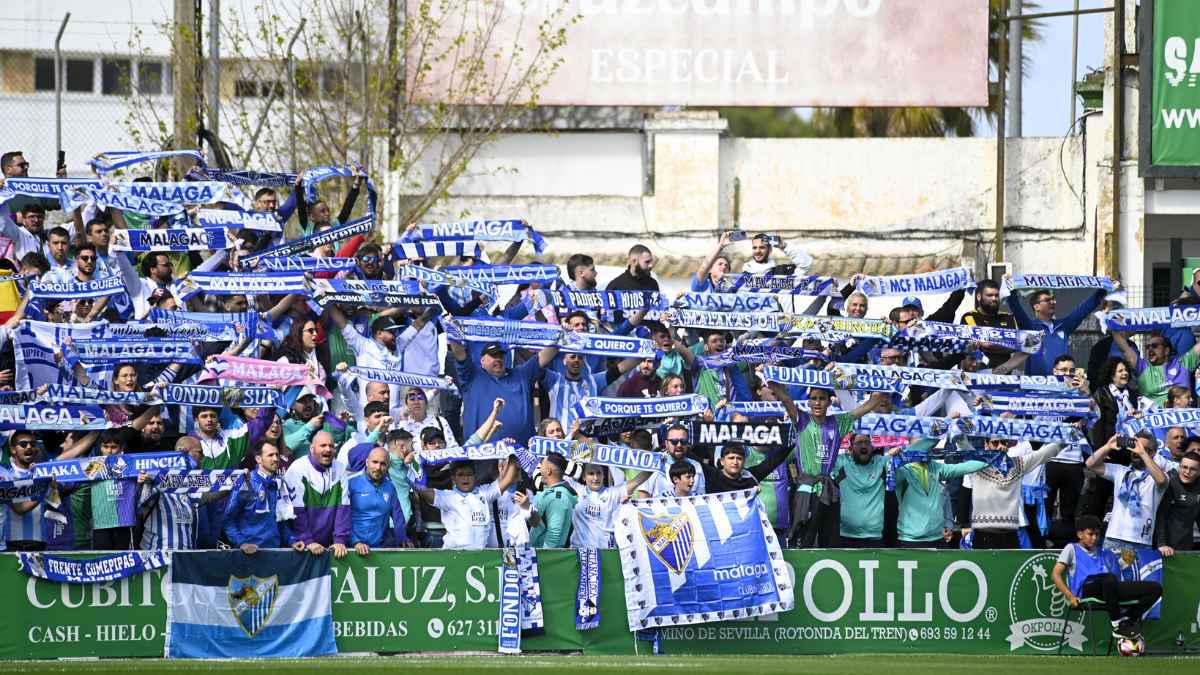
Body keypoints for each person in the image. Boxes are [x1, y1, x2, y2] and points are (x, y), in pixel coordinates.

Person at [769, 383, 888, 548]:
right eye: (813, 399)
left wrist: (884, 384)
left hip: (829, 490)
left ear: (829, 402)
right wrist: (771, 380)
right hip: (806, 489)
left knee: (829, 540)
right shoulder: (802, 419)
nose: (817, 403)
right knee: (804, 539)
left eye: (822, 399)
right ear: (808, 402)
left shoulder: (839, 422)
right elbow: (785, 398)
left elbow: (869, 405)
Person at [1050, 514, 1163, 640]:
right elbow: (1055, 574)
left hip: (1108, 588)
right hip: (1085, 590)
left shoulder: (1104, 552)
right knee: (1108, 579)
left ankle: (1127, 621)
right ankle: (1116, 624)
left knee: (1155, 588)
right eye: (1090, 534)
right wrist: (1070, 596)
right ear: (1080, 534)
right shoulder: (1071, 548)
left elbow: (1115, 571)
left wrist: (1126, 561)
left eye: (1097, 534)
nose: (1094, 538)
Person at [413, 456, 521, 550]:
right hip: (454, 554)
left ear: (475, 476)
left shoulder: (485, 493)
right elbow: (421, 490)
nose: (465, 478)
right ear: (453, 478)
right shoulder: (447, 497)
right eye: (460, 475)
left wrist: (511, 453)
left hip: (480, 556)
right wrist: (413, 465)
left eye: (469, 474)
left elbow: (509, 478)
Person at [1085, 433, 1169, 552]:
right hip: (1114, 538)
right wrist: (1108, 446)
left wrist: (1142, 453)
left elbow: (1161, 481)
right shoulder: (1121, 471)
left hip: (1141, 541)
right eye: (1134, 447)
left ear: (1152, 453)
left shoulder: (1157, 476)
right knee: (1111, 571)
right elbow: (1090, 464)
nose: (1135, 451)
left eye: (1142, 448)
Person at [1006, 284, 1106, 376]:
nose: (1052, 302)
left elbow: (1084, 309)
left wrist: (1103, 288)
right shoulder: (1030, 327)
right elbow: (1016, 308)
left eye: (1053, 300)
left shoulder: (1064, 326)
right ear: (1036, 307)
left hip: (1062, 382)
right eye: (1047, 300)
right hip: (1036, 385)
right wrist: (1010, 287)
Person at [284, 431, 350, 558]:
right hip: (302, 546)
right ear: (312, 448)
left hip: (330, 545)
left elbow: (343, 509)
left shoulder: (340, 468)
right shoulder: (297, 468)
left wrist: (340, 540)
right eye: (323, 445)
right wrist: (307, 540)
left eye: (331, 446)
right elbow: (296, 511)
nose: (328, 449)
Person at [224, 439, 294, 553]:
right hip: (249, 555)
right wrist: (242, 543)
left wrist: (292, 540)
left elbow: (282, 520)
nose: (276, 459)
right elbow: (228, 520)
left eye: (277, 455)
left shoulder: (280, 483)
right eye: (270, 455)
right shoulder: (247, 482)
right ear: (258, 459)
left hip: (275, 553)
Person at [1113, 330, 1200, 407]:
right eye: (1147, 347)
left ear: (1166, 350)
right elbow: (1123, 347)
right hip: (1153, 423)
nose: (1150, 349)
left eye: (1154, 346)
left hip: (1183, 421)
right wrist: (1109, 321)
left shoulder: (1184, 363)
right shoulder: (1142, 366)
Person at [348, 447, 410, 554]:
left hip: (380, 548)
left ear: (388, 466)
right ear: (367, 462)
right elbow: (341, 518)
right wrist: (355, 542)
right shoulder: (350, 483)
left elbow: (397, 516)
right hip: (353, 548)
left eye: (383, 464)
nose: (378, 467)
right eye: (375, 462)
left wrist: (403, 538)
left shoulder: (390, 487)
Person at [524, 452, 578, 548]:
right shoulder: (550, 493)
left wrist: (544, 559)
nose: (540, 469)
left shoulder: (558, 498)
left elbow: (554, 535)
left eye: (542, 465)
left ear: (548, 470)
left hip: (545, 558)